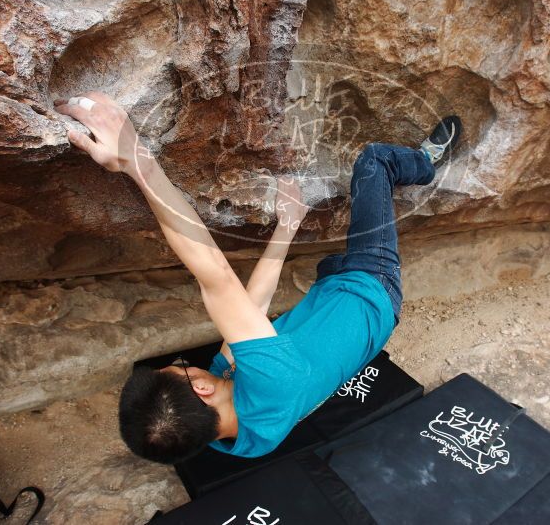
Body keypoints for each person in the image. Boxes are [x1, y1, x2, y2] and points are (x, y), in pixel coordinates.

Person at [55, 92, 462, 462]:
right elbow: (215, 277)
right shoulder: (274, 384)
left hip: (331, 296)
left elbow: (251, 309)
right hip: (372, 289)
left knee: (326, 264)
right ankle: (425, 164)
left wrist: (288, 225)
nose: (191, 367)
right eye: (181, 368)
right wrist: (137, 159)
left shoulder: (232, 434)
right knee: (374, 161)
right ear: (201, 390)